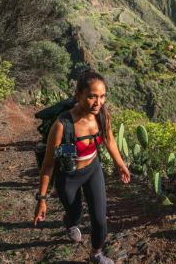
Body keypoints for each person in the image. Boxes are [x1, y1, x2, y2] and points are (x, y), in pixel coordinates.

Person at [33, 69, 131, 264]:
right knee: (75, 214)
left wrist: (120, 165)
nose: (98, 102)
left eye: (102, 96)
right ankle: (70, 221)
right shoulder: (62, 125)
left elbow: (109, 140)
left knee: (99, 220)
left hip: (93, 170)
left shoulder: (102, 116)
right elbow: (48, 165)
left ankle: (96, 253)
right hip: (68, 176)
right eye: (92, 97)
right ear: (78, 95)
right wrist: (42, 199)